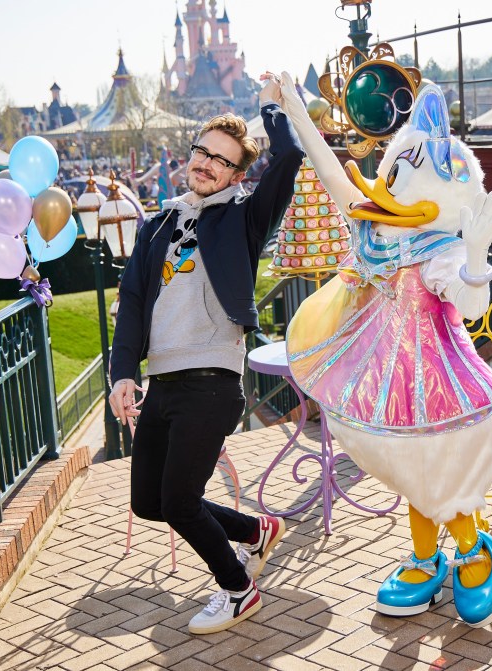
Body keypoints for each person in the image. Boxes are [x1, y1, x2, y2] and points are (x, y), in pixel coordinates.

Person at [108, 72, 304, 635]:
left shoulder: (242, 218)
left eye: (221, 160)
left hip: (213, 379)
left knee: (182, 500)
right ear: (190, 154)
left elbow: (287, 159)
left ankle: (238, 591)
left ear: (236, 174)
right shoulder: (158, 223)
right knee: (150, 500)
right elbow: (135, 298)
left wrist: (270, 108)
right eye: (202, 151)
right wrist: (124, 373)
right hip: (163, 381)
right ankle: (255, 532)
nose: (207, 163)